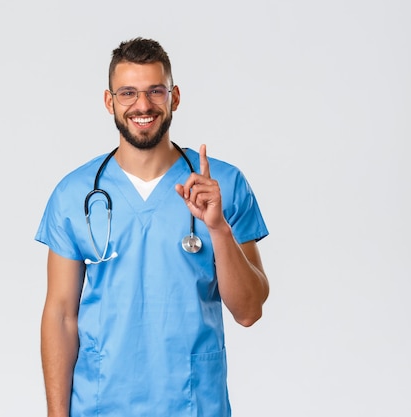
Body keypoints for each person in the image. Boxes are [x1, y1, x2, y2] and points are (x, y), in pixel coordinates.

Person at [36, 37, 269, 417]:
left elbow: (249, 311)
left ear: (174, 97)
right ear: (109, 102)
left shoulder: (224, 186)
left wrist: (218, 228)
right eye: (128, 93)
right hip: (101, 404)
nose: (142, 105)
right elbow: (61, 315)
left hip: (194, 404)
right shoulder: (74, 194)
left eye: (155, 91)